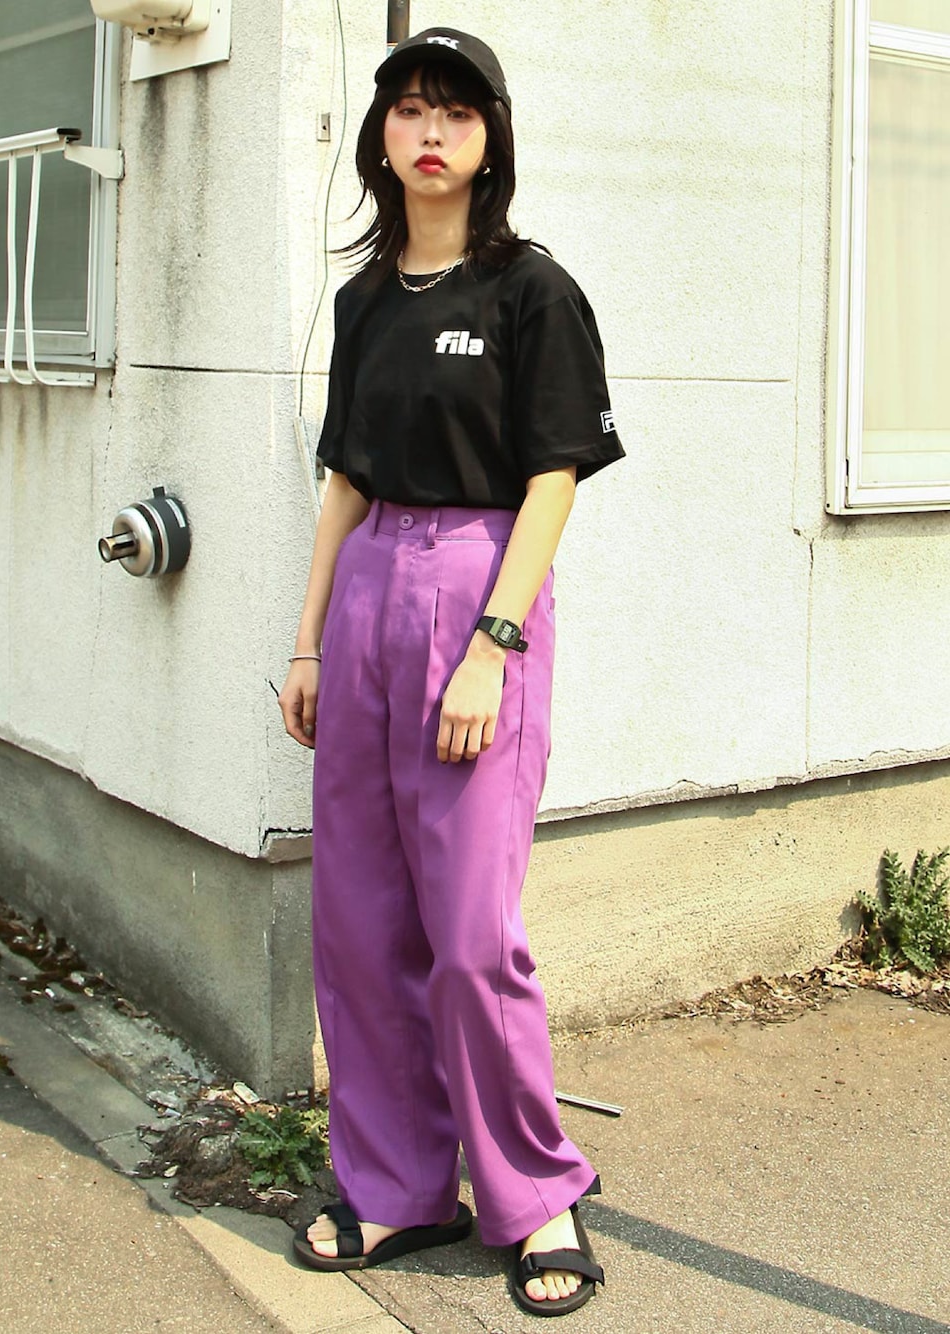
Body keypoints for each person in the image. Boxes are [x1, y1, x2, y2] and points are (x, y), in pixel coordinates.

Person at [278, 28, 624, 1317]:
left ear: (491, 140)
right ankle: (398, 1188)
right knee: (361, 924)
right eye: (412, 110)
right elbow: (345, 479)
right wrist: (309, 641)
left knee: (472, 934)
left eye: (458, 113)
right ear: (383, 138)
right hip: (370, 589)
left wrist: (494, 645)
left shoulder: (533, 291)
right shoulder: (364, 302)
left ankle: (536, 1195)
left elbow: (554, 482)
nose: (432, 132)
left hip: (477, 592)